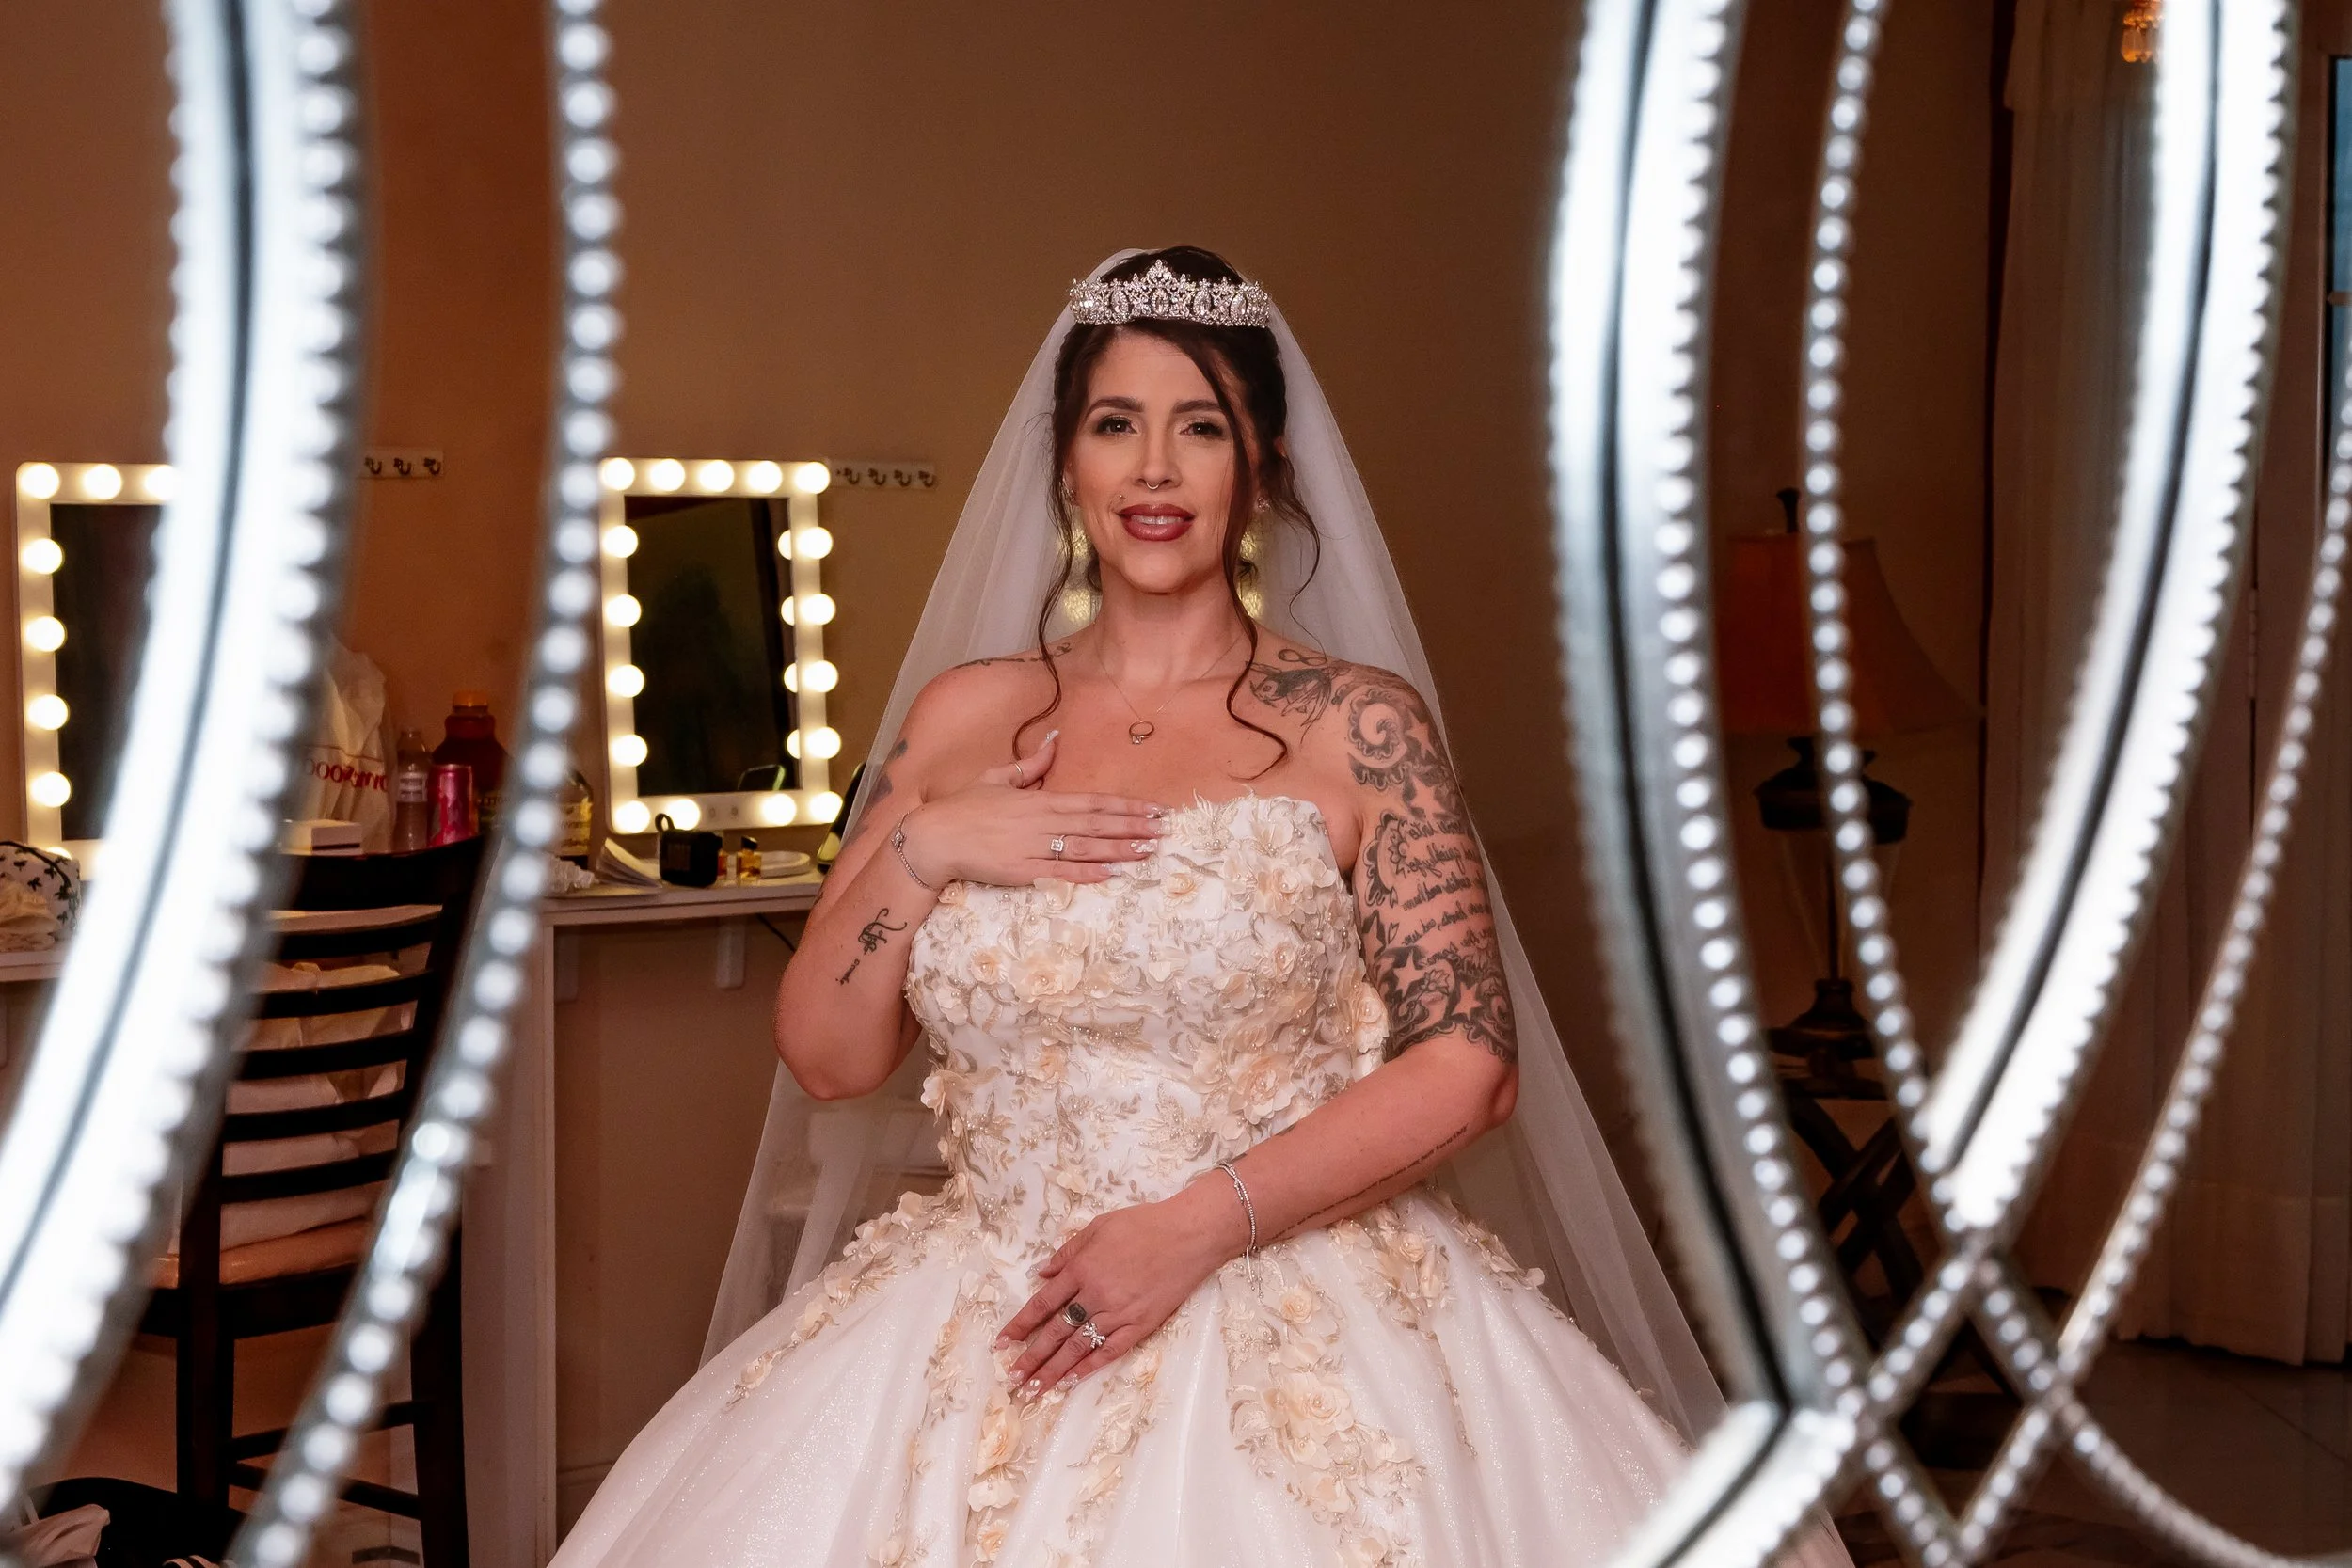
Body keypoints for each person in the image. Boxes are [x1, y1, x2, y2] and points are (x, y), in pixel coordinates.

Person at [552, 249, 1823, 1568]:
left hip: (1290, 1299)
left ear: (1262, 464)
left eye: (1200, 427)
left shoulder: (1356, 727)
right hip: (986, 1301)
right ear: (1067, 462)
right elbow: (826, 1053)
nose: (1154, 471)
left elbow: (1468, 1065)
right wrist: (929, 844)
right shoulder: (962, 719)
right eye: (1117, 425)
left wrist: (1189, 1230)